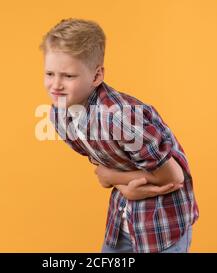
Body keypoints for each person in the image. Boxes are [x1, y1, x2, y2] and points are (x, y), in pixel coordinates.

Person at [40, 18, 199, 253]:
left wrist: (112, 178)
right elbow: (104, 162)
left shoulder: (119, 118)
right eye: (50, 73)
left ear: (96, 77)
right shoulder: (60, 116)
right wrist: (121, 184)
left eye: (68, 76)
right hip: (122, 218)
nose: (56, 85)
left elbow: (174, 176)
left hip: (162, 224)